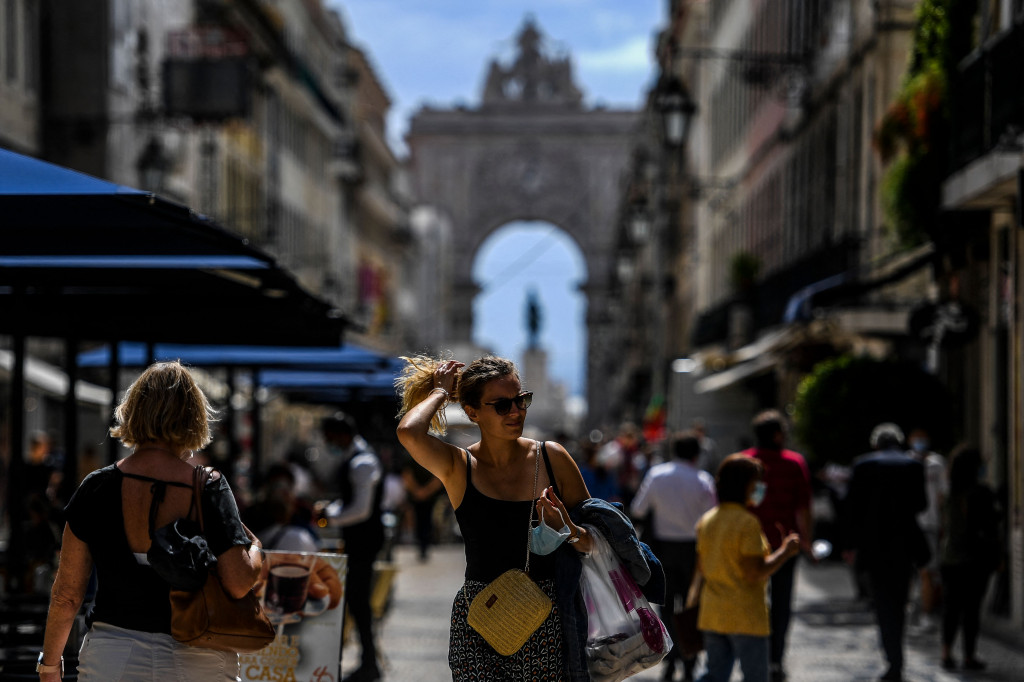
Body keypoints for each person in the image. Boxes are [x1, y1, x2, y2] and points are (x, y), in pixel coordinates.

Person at [40, 361, 263, 681]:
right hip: (198, 655)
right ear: (195, 418)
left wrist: (50, 665)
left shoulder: (97, 487)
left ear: (132, 412)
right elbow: (239, 581)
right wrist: (255, 549)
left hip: (113, 655)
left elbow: (67, 595)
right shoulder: (208, 487)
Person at [396, 355, 600, 681]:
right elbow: (409, 432)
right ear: (472, 412)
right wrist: (440, 392)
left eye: (521, 400)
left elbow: (596, 543)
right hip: (479, 617)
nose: (516, 411)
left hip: (545, 617)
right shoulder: (459, 467)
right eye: (502, 405)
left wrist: (569, 528)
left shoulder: (552, 458)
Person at [690, 454, 801, 682]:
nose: (760, 487)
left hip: (712, 613)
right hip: (745, 615)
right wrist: (785, 551)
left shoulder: (707, 520)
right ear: (744, 485)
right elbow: (755, 572)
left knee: (714, 675)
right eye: (756, 482)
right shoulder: (747, 523)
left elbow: (700, 569)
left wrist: (692, 603)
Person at [842, 423, 927, 682]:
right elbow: (921, 505)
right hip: (904, 546)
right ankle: (897, 659)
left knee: (882, 605)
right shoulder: (913, 465)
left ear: (875, 444)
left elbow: (851, 509)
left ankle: (893, 660)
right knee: (900, 603)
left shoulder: (862, 465)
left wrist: (849, 545)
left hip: (874, 546)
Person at [630, 430, 717, 682]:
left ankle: (669, 661)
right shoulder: (703, 479)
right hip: (694, 551)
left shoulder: (657, 475)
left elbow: (638, 508)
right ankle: (690, 662)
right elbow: (712, 518)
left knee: (666, 608)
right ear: (696, 454)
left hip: (662, 550)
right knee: (692, 608)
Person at [740, 409, 813, 681]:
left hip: (748, 546)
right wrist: (807, 541)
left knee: (751, 602)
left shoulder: (743, 462)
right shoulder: (795, 463)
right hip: (786, 547)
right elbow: (804, 508)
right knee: (782, 605)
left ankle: (754, 657)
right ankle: (776, 660)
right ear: (778, 435)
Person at [323, 412, 385, 682]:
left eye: (330, 438)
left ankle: (369, 663)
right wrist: (329, 511)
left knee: (359, 603)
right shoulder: (357, 458)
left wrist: (329, 517)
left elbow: (360, 509)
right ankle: (367, 661)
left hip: (364, 540)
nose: (328, 443)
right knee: (356, 602)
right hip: (358, 540)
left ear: (342, 434)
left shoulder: (362, 462)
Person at [939, 445, 999, 672]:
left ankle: (946, 653)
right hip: (974, 561)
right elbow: (990, 524)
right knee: (971, 610)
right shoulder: (981, 493)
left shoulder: (950, 494)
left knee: (950, 609)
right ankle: (969, 655)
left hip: (950, 560)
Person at [906, 427, 947, 631]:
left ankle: (925, 613)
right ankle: (915, 611)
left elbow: (942, 495)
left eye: (923, 438)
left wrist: (943, 524)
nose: (920, 441)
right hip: (910, 524)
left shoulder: (936, 464)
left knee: (927, 571)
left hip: (930, 524)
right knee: (915, 572)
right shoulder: (906, 462)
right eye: (916, 438)